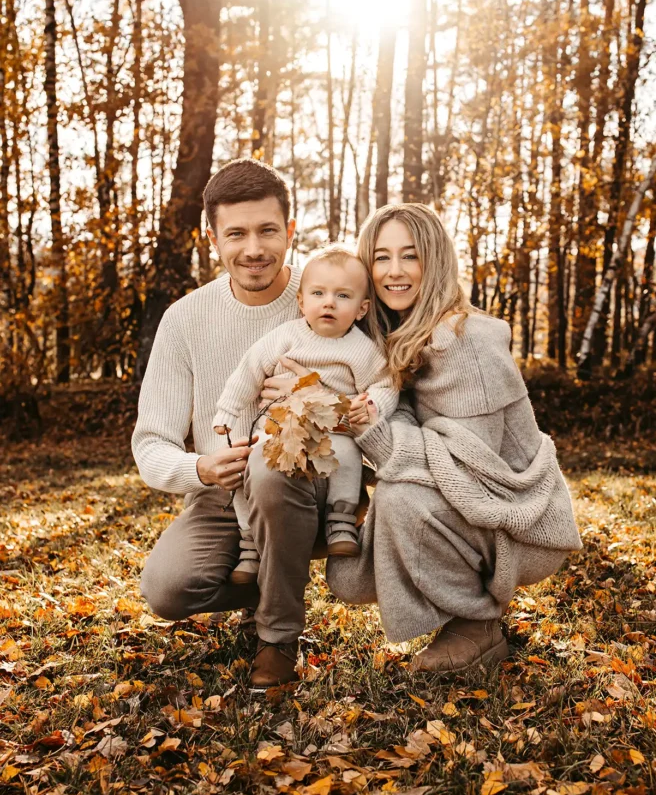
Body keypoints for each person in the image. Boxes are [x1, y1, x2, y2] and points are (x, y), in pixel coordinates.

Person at [326, 203, 582, 672]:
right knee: (361, 501)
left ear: (436, 260)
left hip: (522, 519)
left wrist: (376, 435)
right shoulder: (393, 335)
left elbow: (472, 474)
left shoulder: (464, 340)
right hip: (484, 509)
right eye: (381, 258)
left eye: (411, 256)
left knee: (401, 498)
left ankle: (478, 625)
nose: (394, 271)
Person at [133, 158, 338, 689]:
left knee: (273, 473)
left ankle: (277, 638)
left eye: (268, 230)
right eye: (237, 234)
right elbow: (151, 441)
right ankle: (279, 578)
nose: (254, 248)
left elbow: (382, 388)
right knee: (167, 589)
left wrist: (319, 399)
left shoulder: (326, 302)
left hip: (311, 483)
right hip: (222, 495)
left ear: (290, 231)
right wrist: (200, 467)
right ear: (212, 239)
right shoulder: (185, 318)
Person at [212, 246, 397, 584]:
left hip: (335, 432)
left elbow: (385, 384)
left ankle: (340, 520)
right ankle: (250, 541)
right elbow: (248, 371)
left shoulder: (362, 348)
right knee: (252, 464)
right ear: (302, 302)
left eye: (343, 295)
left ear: (361, 309)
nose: (329, 302)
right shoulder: (286, 337)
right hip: (281, 430)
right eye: (318, 293)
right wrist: (227, 409)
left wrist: (372, 404)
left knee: (346, 454)